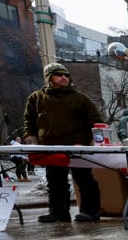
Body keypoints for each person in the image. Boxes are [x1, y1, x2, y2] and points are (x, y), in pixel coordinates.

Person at [23, 62, 104, 222]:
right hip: (50, 148)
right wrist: (32, 141)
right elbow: (29, 122)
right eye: (59, 75)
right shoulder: (36, 98)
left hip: (77, 146)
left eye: (66, 75)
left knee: (84, 180)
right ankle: (58, 212)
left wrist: (88, 142)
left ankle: (91, 212)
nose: (64, 78)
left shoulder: (80, 99)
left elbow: (96, 123)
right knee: (55, 182)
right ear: (49, 78)